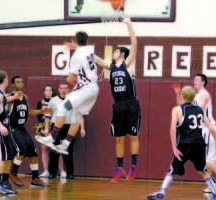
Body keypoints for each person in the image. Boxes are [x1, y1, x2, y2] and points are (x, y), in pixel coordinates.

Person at [147, 86, 216, 200]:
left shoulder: (177, 110)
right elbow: (211, 127)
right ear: (194, 97)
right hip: (199, 144)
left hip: (185, 144)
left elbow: (173, 129)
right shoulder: (199, 109)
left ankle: (162, 190)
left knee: (172, 169)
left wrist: (174, 147)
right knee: (202, 170)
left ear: (183, 96)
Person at [87, 17, 140, 182]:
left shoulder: (128, 64)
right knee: (118, 139)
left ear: (122, 54)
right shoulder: (110, 67)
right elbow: (96, 59)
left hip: (131, 103)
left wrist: (129, 24)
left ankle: (133, 167)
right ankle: (119, 168)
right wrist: (80, 48)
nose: (113, 53)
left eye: (116, 51)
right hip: (118, 106)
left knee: (133, 137)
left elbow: (135, 43)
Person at [36, 31, 99, 159]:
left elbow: (70, 80)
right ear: (87, 41)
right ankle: (65, 144)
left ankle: (51, 138)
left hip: (84, 88)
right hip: (93, 89)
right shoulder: (89, 52)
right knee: (76, 115)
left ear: (75, 40)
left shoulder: (76, 56)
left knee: (63, 107)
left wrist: (72, 79)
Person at [173, 74, 216, 193]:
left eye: (197, 80)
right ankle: (214, 184)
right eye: (194, 79)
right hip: (202, 130)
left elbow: (196, 109)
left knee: (204, 160)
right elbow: (182, 107)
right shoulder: (195, 96)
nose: (194, 81)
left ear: (203, 82)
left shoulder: (204, 94)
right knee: (203, 159)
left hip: (207, 129)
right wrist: (179, 94)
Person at [8, 76, 50, 187]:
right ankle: (13, 173)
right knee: (21, 149)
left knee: (33, 152)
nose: (21, 83)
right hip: (13, 128)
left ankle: (35, 178)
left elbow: (28, 112)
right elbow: (1, 101)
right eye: (18, 82)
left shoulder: (25, 97)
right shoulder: (10, 97)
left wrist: (41, 110)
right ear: (13, 85)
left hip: (22, 128)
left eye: (21, 81)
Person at [0, 70, 22, 195]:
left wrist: (14, 97)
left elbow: (4, 99)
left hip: (3, 127)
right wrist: (1, 125)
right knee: (2, 155)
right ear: (5, 80)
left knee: (9, 154)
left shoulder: (1, 93)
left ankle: (5, 182)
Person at [42, 82, 85, 179]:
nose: (64, 90)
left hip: (69, 127)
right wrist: (46, 128)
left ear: (68, 89)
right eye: (62, 88)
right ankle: (52, 173)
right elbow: (47, 116)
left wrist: (82, 128)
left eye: (65, 88)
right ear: (59, 89)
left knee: (68, 151)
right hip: (56, 127)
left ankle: (70, 173)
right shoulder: (53, 101)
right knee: (54, 151)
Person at [36, 84, 54, 177]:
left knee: (56, 149)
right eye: (46, 90)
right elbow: (39, 116)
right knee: (44, 148)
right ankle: (46, 170)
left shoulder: (56, 102)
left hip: (54, 127)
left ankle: (62, 171)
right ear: (44, 92)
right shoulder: (40, 103)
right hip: (44, 128)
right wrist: (44, 126)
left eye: (50, 90)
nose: (48, 92)